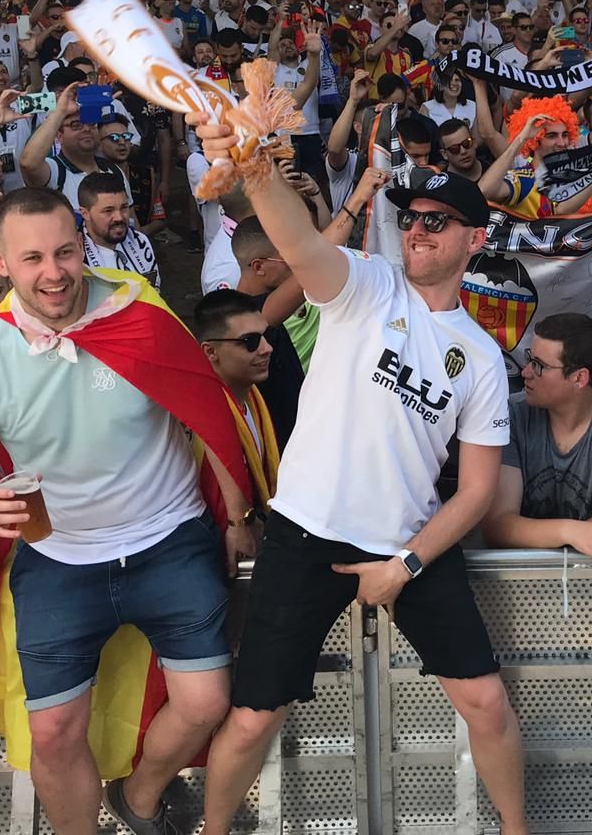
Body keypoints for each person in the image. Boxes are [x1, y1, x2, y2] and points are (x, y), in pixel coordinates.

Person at [185, 115, 530, 835]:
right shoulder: (366, 285)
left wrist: (406, 562)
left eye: (441, 221)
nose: (420, 231)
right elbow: (297, 239)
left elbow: (475, 492)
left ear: (477, 240)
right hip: (305, 532)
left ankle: (515, 830)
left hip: (410, 542)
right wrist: (253, 164)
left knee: (488, 705)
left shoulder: (483, 356)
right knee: (252, 721)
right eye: (413, 220)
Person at [0, 188, 252, 835]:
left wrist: (237, 516)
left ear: (83, 246)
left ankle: (142, 794)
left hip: (169, 541)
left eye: (66, 251)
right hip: (58, 559)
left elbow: (206, 412)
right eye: (34, 257)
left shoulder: (139, 310)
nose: (54, 272)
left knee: (206, 701)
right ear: (2, 264)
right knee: (52, 730)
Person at [480, 312, 592, 563]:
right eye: (529, 359)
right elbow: (497, 525)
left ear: (579, 378)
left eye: (539, 365)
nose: (526, 372)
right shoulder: (512, 414)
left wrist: (531, 532)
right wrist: (571, 531)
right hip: (518, 579)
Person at [194, 289, 281, 521]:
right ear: (210, 351)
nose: (266, 348)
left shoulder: (252, 398)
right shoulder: (195, 421)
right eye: (250, 342)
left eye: (266, 336)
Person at [228, 216, 310, 441]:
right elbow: (315, 266)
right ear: (259, 267)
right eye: (286, 257)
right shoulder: (250, 319)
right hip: (280, 449)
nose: (294, 264)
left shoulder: (253, 309)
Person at [76, 171, 160, 287]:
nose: (119, 217)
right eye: (108, 211)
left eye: (124, 208)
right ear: (85, 213)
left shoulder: (140, 241)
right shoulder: (76, 258)